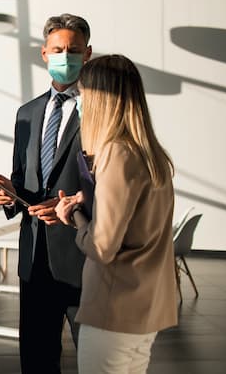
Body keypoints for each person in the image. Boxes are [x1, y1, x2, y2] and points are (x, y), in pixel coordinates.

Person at [55, 54, 177, 374]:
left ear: (100, 98)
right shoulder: (151, 154)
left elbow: (101, 248)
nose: (79, 101)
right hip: (146, 310)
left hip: (114, 309)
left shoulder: (115, 152)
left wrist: (75, 218)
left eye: (82, 93)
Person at [0, 13, 92, 373]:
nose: (65, 56)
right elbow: (23, 178)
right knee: (37, 359)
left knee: (98, 358)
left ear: (88, 54)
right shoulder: (27, 114)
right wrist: (8, 193)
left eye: (73, 50)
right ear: (44, 54)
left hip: (86, 253)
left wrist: (73, 205)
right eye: (58, 49)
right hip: (35, 257)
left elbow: (112, 184)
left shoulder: (102, 110)